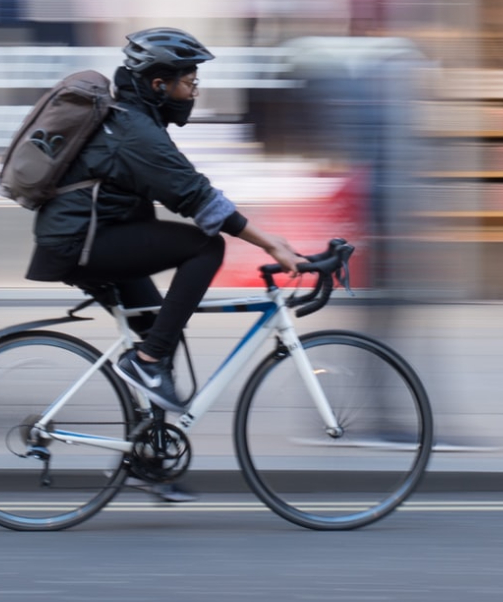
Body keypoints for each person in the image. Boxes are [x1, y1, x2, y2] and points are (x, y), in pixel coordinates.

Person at [26, 28, 300, 455]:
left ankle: (149, 459)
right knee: (205, 247)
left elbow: (183, 190)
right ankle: (149, 364)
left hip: (89, 240)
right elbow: (198, 199)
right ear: (159, 84)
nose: (193, 91)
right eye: (189, 82)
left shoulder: (132, 122)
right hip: (81, 244)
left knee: (159, 330)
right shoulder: (134, 131)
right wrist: (271, 244)